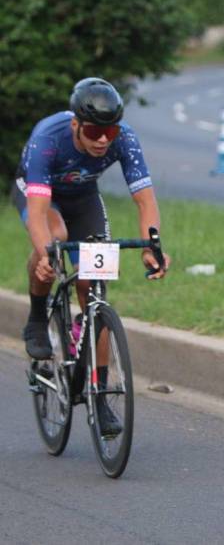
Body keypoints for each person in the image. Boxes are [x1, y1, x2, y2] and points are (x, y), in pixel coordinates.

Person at [12, 77, 170, 435]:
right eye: (94, 132)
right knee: (56, 239)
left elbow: (145, 200)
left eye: (109, 132)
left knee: (94, 287)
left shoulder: (124, 139)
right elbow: (37, 214)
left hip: (83, 197)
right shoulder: (47, 140)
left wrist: (152, 247)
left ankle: (98, 395)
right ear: (75, 125)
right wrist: (45, 254)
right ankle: (38, 316)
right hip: (41, 195)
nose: (102, 140)